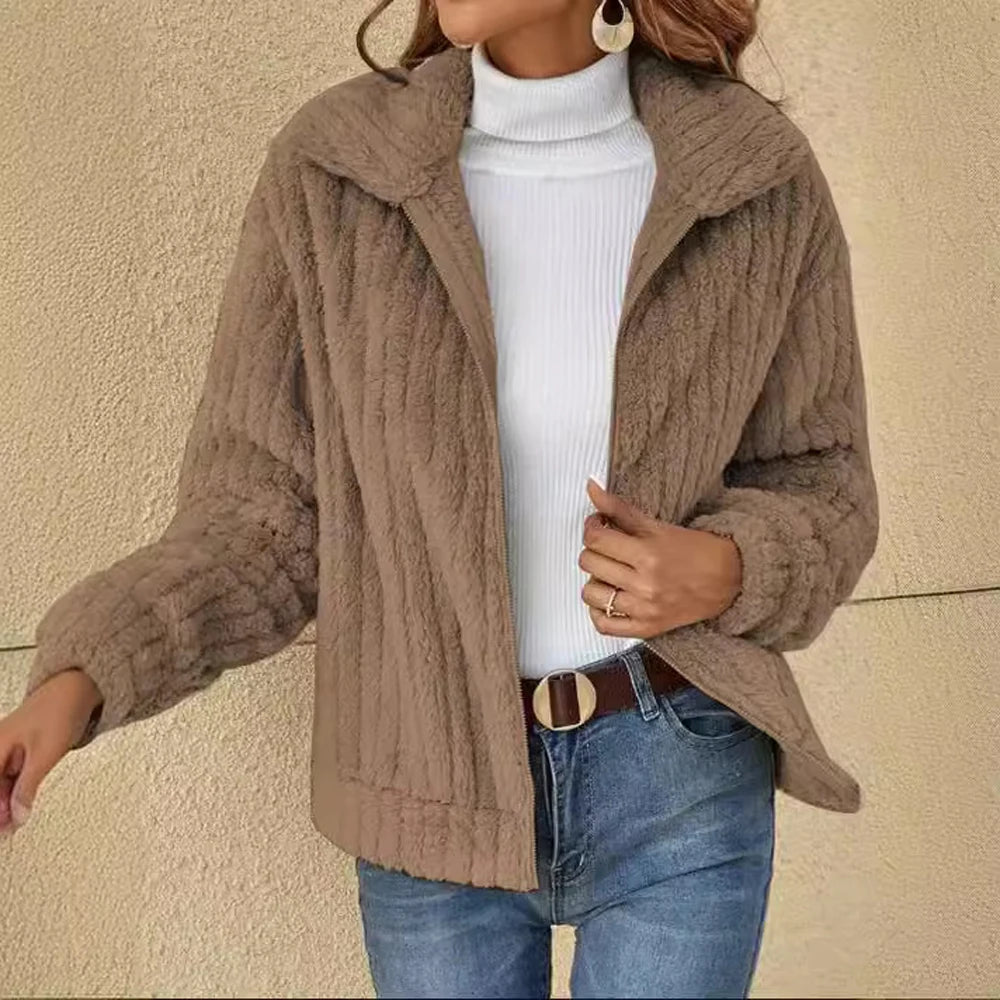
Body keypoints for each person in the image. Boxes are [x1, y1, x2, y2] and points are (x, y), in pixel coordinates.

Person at [1, 0, 880, 996]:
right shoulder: (337, 172)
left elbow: (824, 480)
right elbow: (262, 518)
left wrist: (729, 567)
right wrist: (82, 679)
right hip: (426, 776)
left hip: (678, 767)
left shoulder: (751, 173)